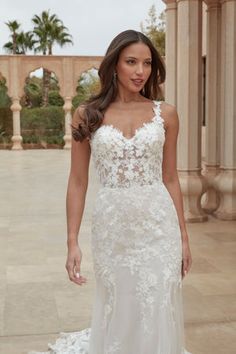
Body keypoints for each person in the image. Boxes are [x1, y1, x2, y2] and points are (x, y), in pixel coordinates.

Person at [29, 29, 192, 354]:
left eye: (146, 63)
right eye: (131, 62)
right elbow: (77, 181)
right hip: (113, 227)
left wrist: (184, 237)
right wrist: (72, 240)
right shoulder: (87, 115)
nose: (140, 71)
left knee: (156, 302)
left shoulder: (167, 114)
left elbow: (170, 178)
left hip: (158, 225)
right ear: (114, 64)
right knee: (119, 301)